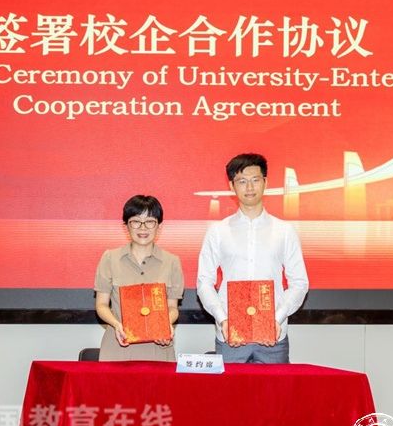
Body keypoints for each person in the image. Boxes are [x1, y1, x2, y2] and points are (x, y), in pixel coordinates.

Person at [197, 153, 309, 363]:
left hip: (274, 337)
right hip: (229, 336)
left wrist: (276, 318)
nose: (249, 187)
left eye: (255, 180)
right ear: (232, 186)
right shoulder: (217, 231)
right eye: (242, 181)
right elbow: (204, 282)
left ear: (265, 182)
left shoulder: (285, 231)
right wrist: (223, 319)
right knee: (229, 387)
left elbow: (300, 283)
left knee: (276, 387)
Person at [94, 195, 184, 361]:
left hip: (158, 348)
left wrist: (165, 324)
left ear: (159, 226)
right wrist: (116, 324)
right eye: (135, 221)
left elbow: (173, 307)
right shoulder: (109, 258)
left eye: (150, 221)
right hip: (118, 346)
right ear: (126, 226)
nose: (143, 228)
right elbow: (101, 305)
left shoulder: (172, 262)